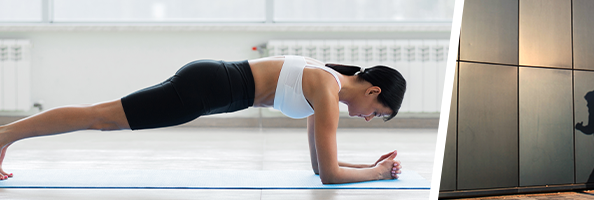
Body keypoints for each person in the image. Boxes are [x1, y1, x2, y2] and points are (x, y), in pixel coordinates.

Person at [0, 55, 406, 184]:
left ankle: (6, 136)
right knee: (102, 118)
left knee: (102, 117)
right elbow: (331, 176)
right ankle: (5, 135)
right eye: (377, 112)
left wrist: (371, 167)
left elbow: (321, 166)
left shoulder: (326, 85)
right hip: (208, 89)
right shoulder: (326, 90)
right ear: (373, 91)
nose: (369, 118)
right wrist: (377, 173)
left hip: (210, 84)